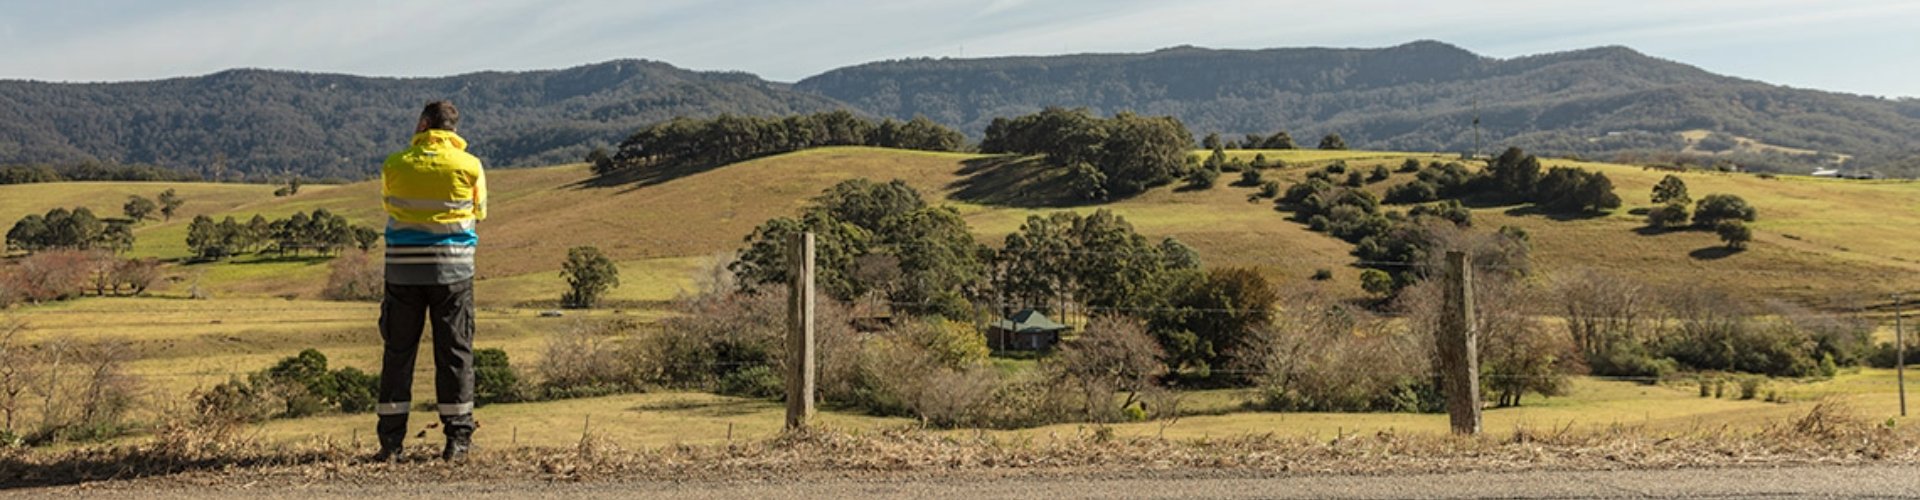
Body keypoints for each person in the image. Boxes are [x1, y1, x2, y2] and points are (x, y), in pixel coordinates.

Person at [374, 100, 487, 462]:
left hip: (403, 272)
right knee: (455, 352)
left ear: (423, 123)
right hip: (453, 272)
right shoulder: (469, 165)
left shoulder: (395, 164)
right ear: (454, 129)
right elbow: (479, 211)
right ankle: (457, 442)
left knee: (398, 354)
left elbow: (390, 206)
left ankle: (391, 445)